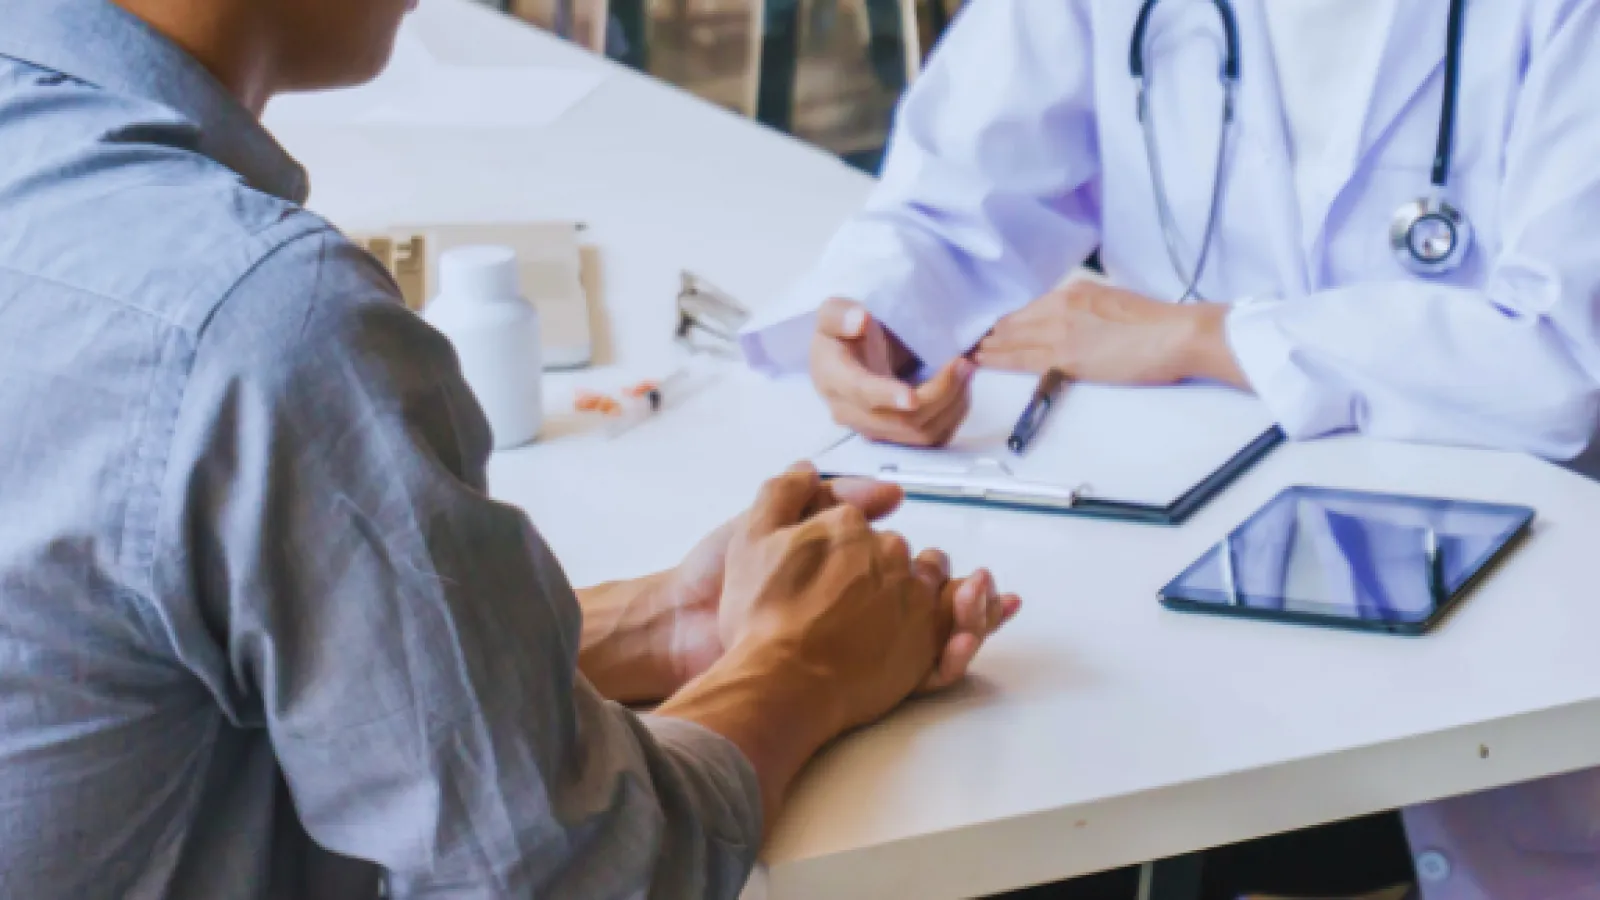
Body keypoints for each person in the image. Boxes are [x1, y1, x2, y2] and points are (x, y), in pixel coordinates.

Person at [0, 1, 1021, 897]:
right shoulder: (258, 325)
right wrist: (800, 668)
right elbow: (558, 879)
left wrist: (650, 625)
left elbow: (118, 670)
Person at [741, 0, 1600, 897]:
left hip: (1512, 610)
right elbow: (957, 193)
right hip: (1176, 573)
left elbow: (1558, 363)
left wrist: (1209, 338)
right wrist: (872, 317)